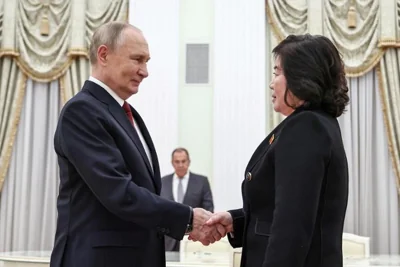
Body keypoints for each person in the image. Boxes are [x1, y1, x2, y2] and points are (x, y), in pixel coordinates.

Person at [50, 21, 221, 267]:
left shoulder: (127, 114)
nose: (145, 71)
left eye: (147, 62)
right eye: (137, 59)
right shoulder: (82, 111)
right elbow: (119, 192)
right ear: (104, 55)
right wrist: (187, 218)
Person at [203, 34, 350, 267]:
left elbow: (292, 226)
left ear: (302, 76)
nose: (272, 83)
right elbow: (286, 209)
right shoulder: (316, 123)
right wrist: (237, 220)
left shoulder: (306, 127)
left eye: (277, 73)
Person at [160, 147, 214, 251]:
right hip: (167, 241)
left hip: (193, 242)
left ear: (189, 162)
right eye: (177, 162)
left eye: (183, 161)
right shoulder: (163, 182)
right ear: (172, 163)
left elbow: (208, 210)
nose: (180, 165)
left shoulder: (201, 182)